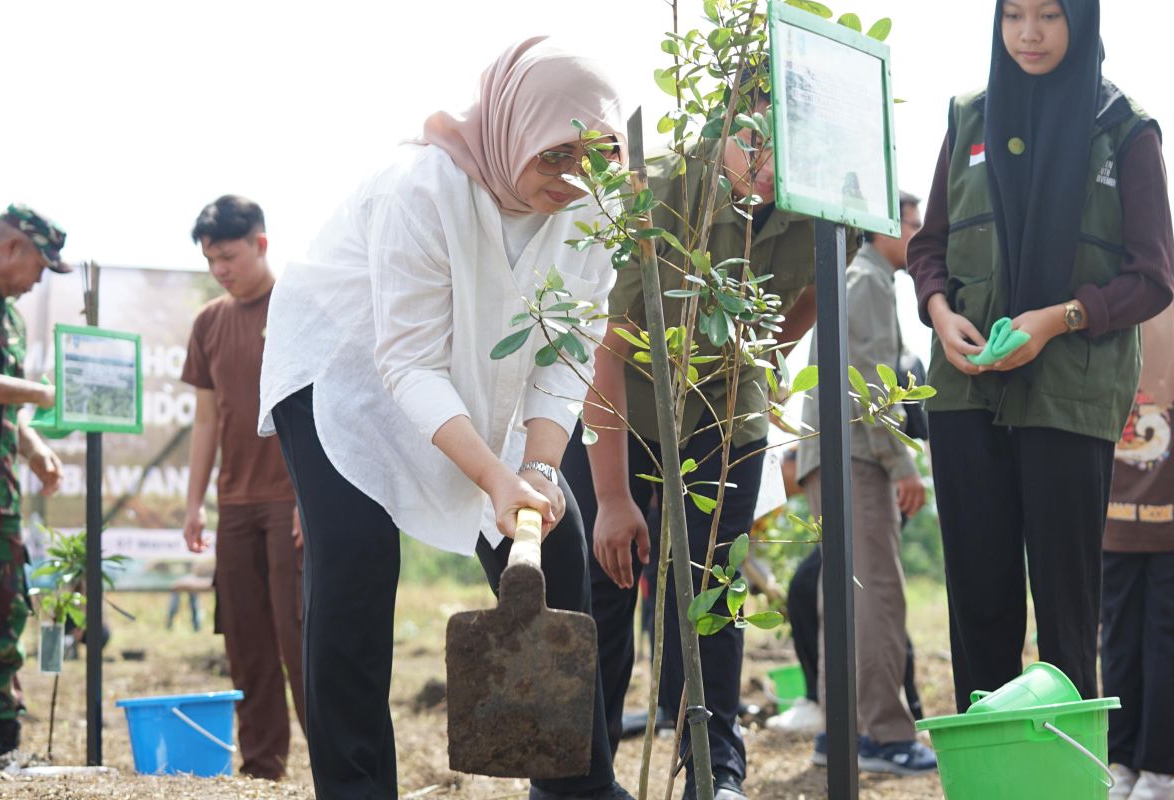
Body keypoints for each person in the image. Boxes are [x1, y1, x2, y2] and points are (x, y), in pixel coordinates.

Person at [258, 38, 632, 800]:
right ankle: (356, 789)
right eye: (557, 156)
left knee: (552, 542)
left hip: (485, 363)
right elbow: (407, 364)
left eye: (596, 156)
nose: (576, 179)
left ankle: (576, 786)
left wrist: (534, 468)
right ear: (514, 131)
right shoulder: (420, 192)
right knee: (356, 565)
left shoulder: (599, 208)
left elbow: (570, 348)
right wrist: (492, 474)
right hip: (347, 367)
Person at [560, 79, 858, 800]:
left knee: (711, 588)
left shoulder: (816, 204)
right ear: (726, 117)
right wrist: (610, 498)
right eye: (754, 137)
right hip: (621, 413)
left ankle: (714, 768)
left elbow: (807, 299)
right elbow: (608, 346)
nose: (766, 162)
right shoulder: (660, 189)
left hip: (725, 413)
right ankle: (582, 779)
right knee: (605, 586)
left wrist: (751, 356)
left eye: (787, 145)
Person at [908, 0, 1174, 712]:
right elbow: (927, 248)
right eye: (1014, 15)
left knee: (1066, 615)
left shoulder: (1125, 129)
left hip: (1069, 398)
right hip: (966, 393)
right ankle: (989, 781)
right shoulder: (969, 115)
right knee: (979, 608)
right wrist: (941, 316)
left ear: (1081, 22)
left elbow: (1153, 276)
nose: (1028, 33)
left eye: (1050, 15)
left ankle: (1065, 779)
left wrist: (1059, 320)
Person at [796, 192, 936, 774]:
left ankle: (842, 733)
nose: (921, 234)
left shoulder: (852, 278)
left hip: (829, 455)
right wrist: (901, 464)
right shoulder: (872, 281)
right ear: (882, 227)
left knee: (844, 597)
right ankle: (882, 734)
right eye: (913, 224)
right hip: (855, 455)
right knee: (877, 592)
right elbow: (873, 384)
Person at [181, 196, 306, 781]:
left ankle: (340, 768)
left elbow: (327, 409)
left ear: (260, 243)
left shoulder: (299, 307)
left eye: (228, 257)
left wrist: (315, 499)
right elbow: (207, 421)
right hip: (233, 506)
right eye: (210, 261)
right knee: (247, 646)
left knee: (300, 639)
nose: (220, 270)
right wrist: (194, 505)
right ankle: (262, 770)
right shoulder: (208, 322)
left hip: (293, 501)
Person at [0, 205, 68, 764]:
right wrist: (42, 394)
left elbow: (4, 403)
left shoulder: (7, 317)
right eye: (39, 265)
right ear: (11, 248)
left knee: (3, 614)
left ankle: (2, 750)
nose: (38, 281)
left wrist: (34, 448)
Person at [1101, 306, 1174, 800]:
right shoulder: (1111, 305)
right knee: (1119, 638)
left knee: (1165, 639)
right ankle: (1123, 759)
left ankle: (1161, 767)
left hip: (1168, 513)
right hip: (1112, 509)